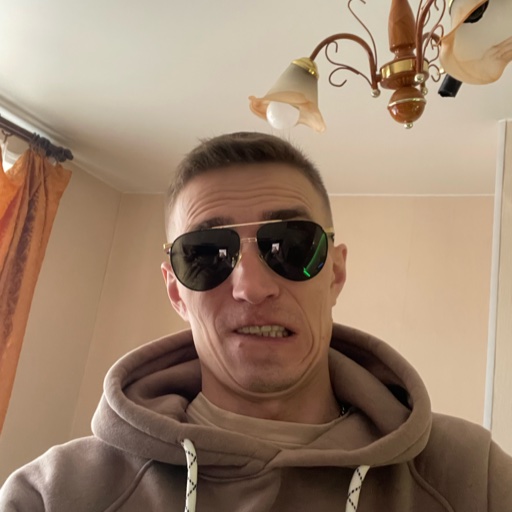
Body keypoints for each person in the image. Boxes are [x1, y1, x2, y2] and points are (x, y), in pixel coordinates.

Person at [1, 131, 511, 511]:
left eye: (291, 245)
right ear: (176, 292)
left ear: (334, 274)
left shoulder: (475, 480)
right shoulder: (52, 496)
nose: (252, 286)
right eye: (206, 253)